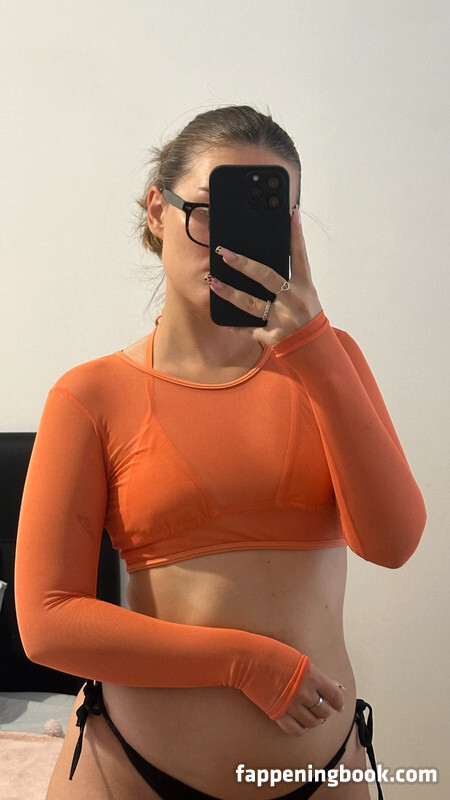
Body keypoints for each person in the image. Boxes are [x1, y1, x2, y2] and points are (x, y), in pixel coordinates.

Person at [15, 105, 426, 800]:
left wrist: (315, 349)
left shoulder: (332, 361)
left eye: (263, 217)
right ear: (158, 211)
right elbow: (48, 622)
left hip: (324, 775)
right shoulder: (91, 394)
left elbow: (393, 543)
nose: (230, 245)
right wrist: (244, 663)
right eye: (209, 212)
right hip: (131, 774)